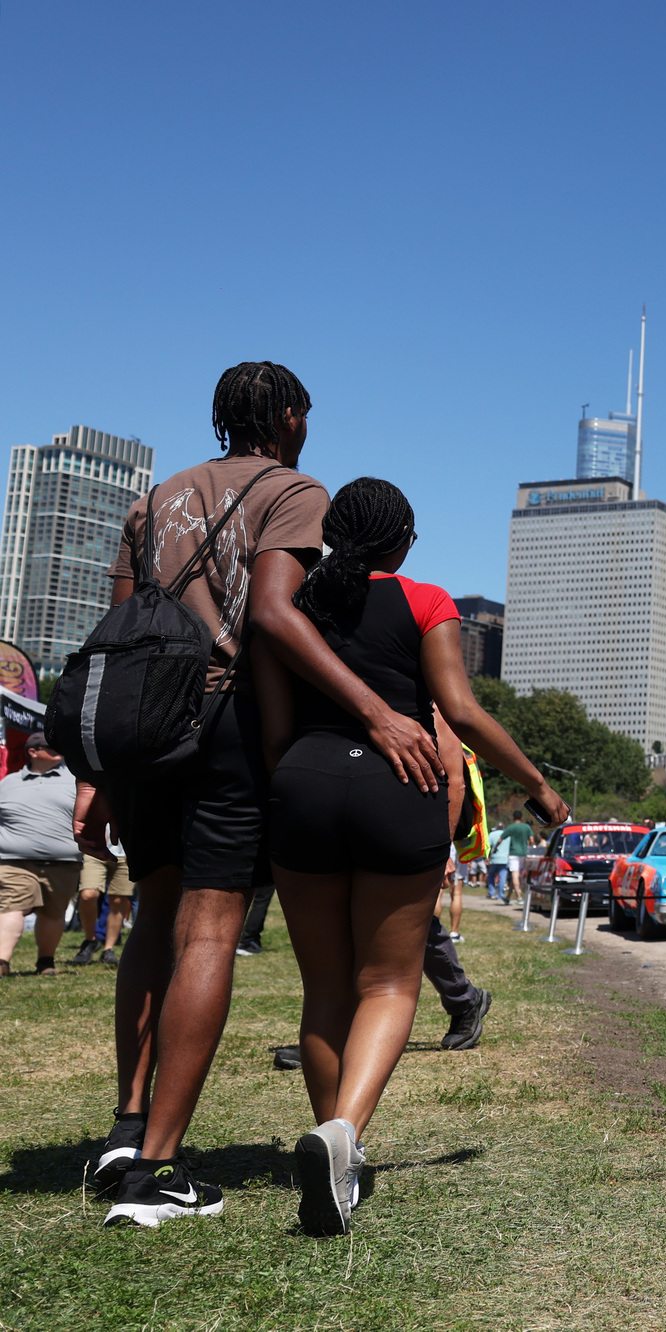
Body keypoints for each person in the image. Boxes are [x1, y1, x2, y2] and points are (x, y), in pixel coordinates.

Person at [90, 364, 445, 1229]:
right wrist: (378, 713)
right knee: (210, 927)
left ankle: (126, 1128)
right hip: (223, 722)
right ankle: (159, 1168)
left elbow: (118, 637)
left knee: (151, 921)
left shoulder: (155, 499)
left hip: (143, 734)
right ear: (289, 417)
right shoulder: (293, 492)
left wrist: (100, 773)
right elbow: (277, 615)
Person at [254, 477, 567, 1237]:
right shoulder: (428, 600)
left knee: (324, 989)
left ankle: (333, 1152)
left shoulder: (293, 607)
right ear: (401, 540)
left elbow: (273, 728)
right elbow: (458, 711)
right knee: (390, 985)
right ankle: (343, 1139)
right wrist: (537, 787)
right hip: (403, 786)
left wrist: (292, 787)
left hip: (305, 783)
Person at [0, 733, 83, 977]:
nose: (57, 751)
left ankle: (45, 962)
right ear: (33, 752)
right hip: (14, 862)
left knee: (53, 912)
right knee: (12, 906)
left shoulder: (76, 780)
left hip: (64, 863)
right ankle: (2, 962)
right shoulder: (7, 782)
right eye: (49, 747)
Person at [73, 837, 134, 967]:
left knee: (118, 900)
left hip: (126, 852)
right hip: (95, 850)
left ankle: (109, 949)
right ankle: (90, 940)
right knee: (88, 894)